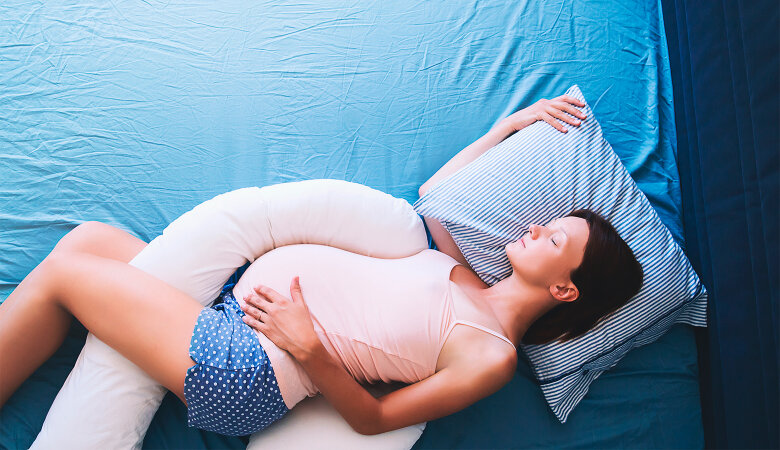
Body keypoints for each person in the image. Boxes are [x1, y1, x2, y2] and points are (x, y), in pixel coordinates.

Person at [0, 94, 643, 436]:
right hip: (234, 315)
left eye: (554, 239)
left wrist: (308, 348)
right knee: (95, 240)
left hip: (250, 371)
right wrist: (515, 125)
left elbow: (376, 420)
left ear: (563, 288)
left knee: (67, 268)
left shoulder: (493, 357)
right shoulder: (468, 275)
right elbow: (438, 197)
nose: (534, 228)